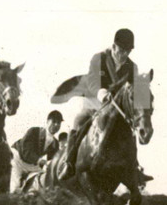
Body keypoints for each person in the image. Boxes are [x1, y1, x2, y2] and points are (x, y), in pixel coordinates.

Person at [59, 28, 139, 182]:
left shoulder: (132, 67)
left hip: (117, 112)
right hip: (94, 104)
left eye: (127, 52)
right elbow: (92, 81)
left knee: (132, 129)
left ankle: (134, 167)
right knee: (78, 122)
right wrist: (102, 94)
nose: (124, 55)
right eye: (121, 50)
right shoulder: (99, 58)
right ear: (114, 46)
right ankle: (68, 163)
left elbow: (134, 91)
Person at [9, 111, 63, 191]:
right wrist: (42, 162)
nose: (56, 125)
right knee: (15, 186)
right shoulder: (33, 131)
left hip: (31, 164)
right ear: (47, 121)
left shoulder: (55, 143)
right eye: (54, 121)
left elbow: (54, 161)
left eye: (58, 123)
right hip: (17, 159)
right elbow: (26, 152)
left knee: (44, 178)